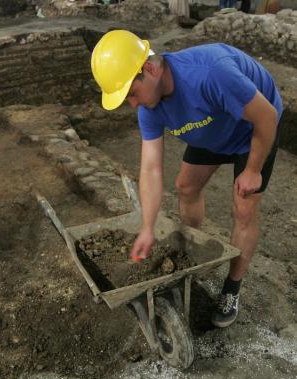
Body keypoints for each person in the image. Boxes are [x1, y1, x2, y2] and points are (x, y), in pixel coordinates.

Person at [90, 30, 282, 328]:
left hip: (252, 132)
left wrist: (252, 170)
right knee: (185, 186)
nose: (132, 104)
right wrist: (147, 227)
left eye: (130, 93)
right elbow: (151, 168)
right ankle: (190, 255)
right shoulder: (150, 106)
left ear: (150, 69)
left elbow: (267, 117)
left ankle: (231, 289)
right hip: (212, 127)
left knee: (244, 207)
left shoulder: (211, 74)